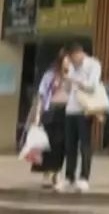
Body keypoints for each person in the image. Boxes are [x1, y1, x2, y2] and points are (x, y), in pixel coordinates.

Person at [63, 43, 102, 192]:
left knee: (85, 145)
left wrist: (74, 80)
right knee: (69, 146)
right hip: (70, 109)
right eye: (70, 59)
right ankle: (69, 177)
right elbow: (67, 90)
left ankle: (84, 178)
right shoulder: (71, 67)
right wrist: (66, 75)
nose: (72, 61)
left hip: (84, 109)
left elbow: (92, 86)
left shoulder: (93, 65)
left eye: (73, 58)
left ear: (79, 53)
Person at [32, 50, 70, 189]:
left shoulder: (73, 77)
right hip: (51, 111)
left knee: (62, 145)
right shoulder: (50, 75)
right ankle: (47, 172)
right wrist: (37, 115)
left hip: (67, 112)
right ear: (61, 61)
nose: (68, 64)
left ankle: (56, 172)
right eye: (66, 60)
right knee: (49, 144)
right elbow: (41, 95)